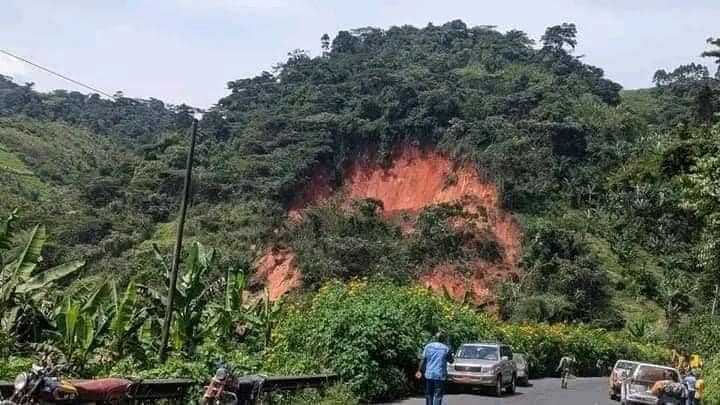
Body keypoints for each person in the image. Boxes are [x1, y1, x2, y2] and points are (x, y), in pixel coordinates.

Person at [416, 331, 454, 405]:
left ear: (435, 338)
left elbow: (423, 359)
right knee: (437, 395)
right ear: (443, 339)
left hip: (429, 374)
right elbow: (451, 361)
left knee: (429, 394)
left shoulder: (428, 346)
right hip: (440, 375)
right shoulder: (446, 348)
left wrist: (419, 370)